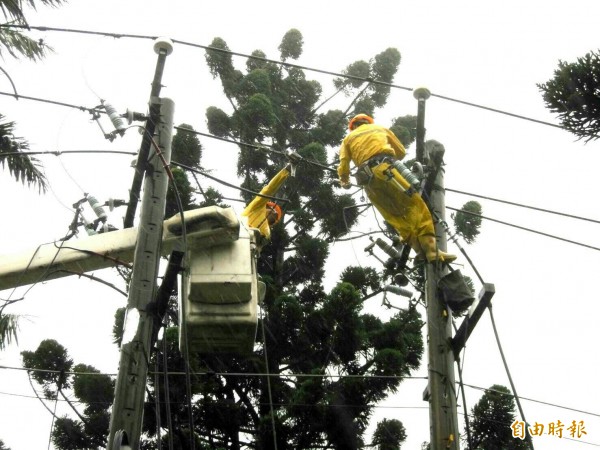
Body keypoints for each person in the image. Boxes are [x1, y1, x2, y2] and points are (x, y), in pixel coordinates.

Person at [337, 113, 456, 263]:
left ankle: (419, 251)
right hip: (386, 170)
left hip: (368, 182)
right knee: (416, 207)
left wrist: (344, 180)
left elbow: (343, 163)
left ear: (352, 126)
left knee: (396, 217)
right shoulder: (379, 129)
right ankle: (432, 252)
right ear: (368, 122)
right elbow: (400, 151)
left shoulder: (348, 139)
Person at [242, 165, 290, 244]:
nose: (274, 212)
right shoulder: (259, 206)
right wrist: (285, 172)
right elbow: (269, 190)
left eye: (276, 214)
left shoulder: (267, 232)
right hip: (240, 230)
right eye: (273, 209)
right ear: (267, 207)